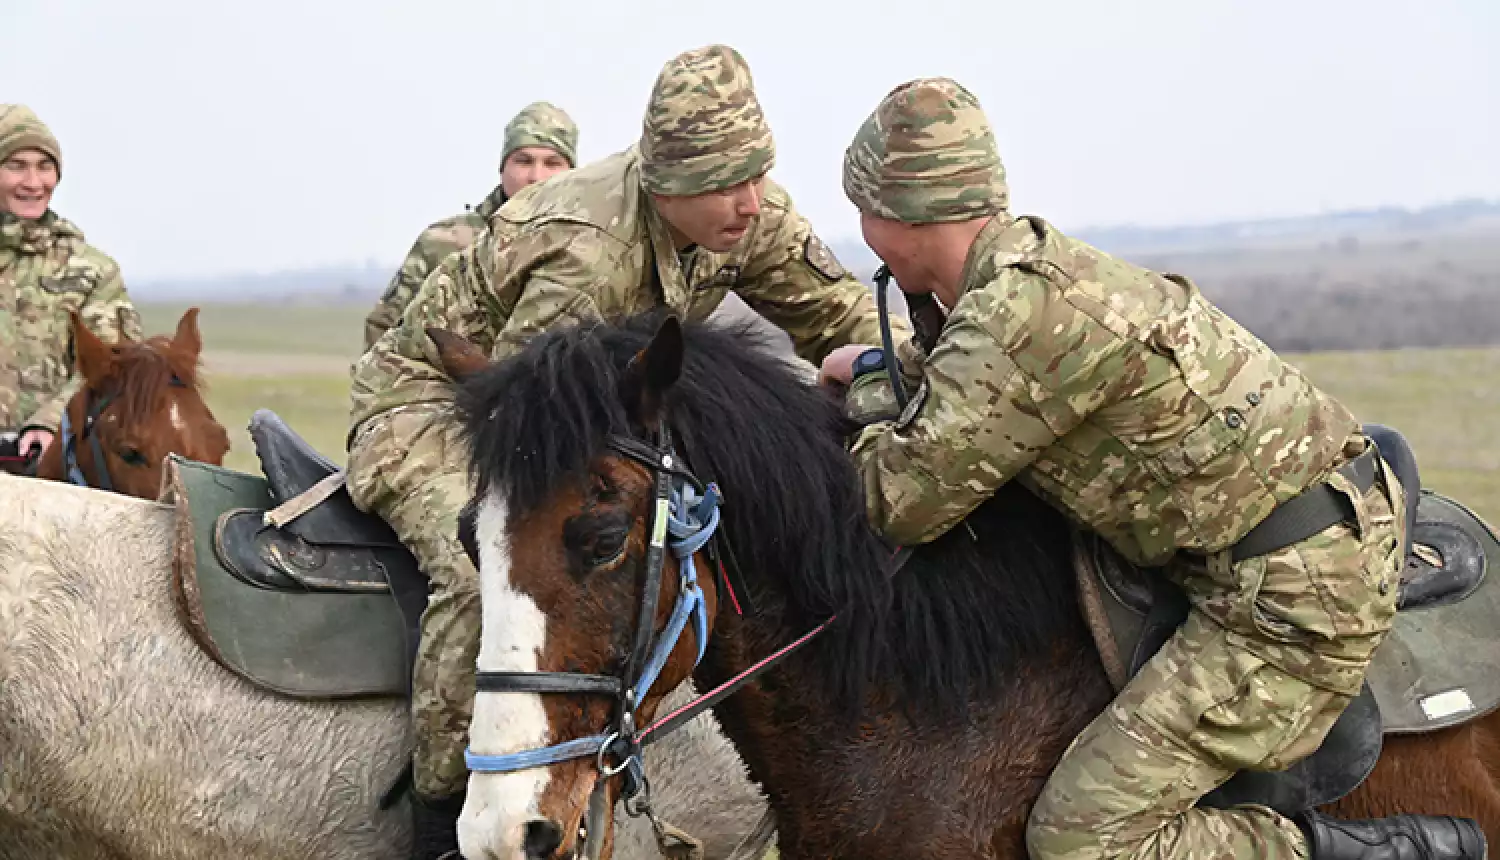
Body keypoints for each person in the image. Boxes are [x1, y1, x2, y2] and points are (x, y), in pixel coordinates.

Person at [825, 77, 1487, 860]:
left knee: (1083, 839)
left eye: (861, 212)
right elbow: (967, 377)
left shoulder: (1019, 315)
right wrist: (890, 363)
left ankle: (1369, 852)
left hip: (1289, 601)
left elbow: (895, 504)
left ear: (892, 219)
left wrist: (869, 390)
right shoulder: (1026, 278)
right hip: (1274, 549)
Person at [346, 44, 910, 858]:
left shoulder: (754, 215)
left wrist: (900, 383)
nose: (751, 202)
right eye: (727, 184)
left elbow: (844, 321)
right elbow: (529, 435)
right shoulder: (585, 250)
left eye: (759, 173)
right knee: (498, 575)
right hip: (440, 405)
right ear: (664, 186)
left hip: (579, 416)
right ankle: (442, 817)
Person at [362, 101, 580, 349]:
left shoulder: (590, 247)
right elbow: (384, 331)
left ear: (573, 173)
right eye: (523, 161)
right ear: (502, 168)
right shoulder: (444, 243)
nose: (536, 176)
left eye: (552, 164)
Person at [0, 104, 142, 469]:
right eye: (16, 165)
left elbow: (112, 364)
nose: (33, 182)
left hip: (54, 468)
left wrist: (48, 423)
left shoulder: (92, 271)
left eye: (44, 166)